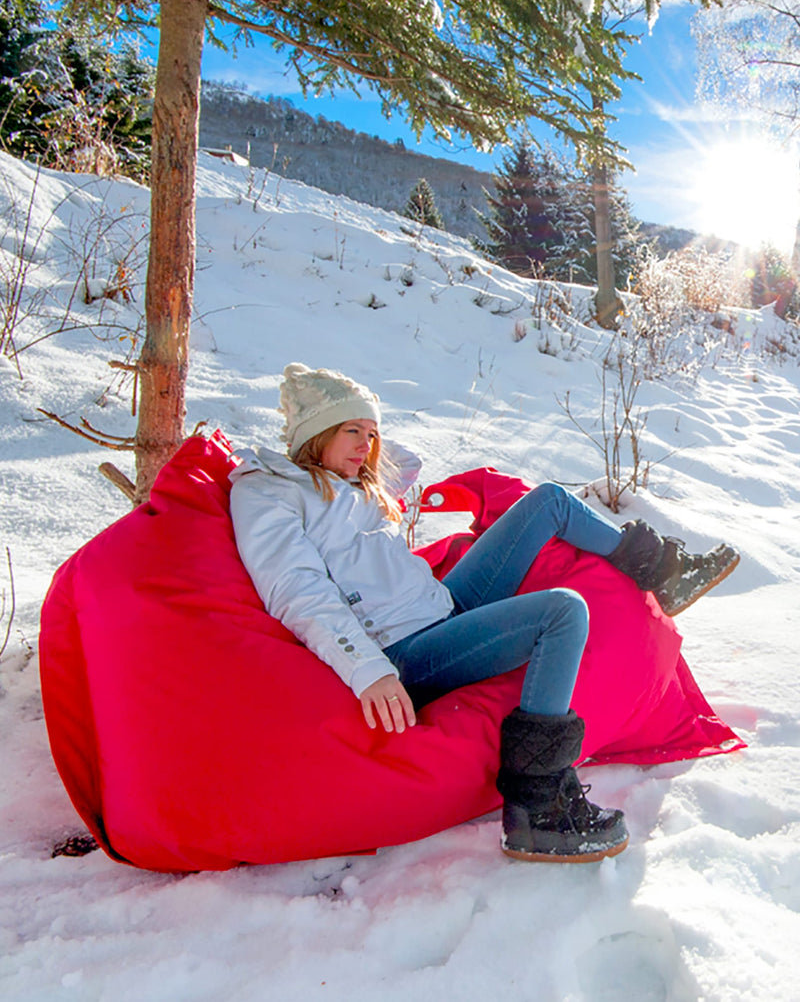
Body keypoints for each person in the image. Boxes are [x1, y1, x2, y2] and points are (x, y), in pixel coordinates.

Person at [229, 363, 739, 864]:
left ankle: (665, 572)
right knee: (562, 612)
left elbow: (402, 463)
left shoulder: (354, 482)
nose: (367, 445)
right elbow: (297, 590)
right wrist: (368, 671)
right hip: (402, 651)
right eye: (352, 431)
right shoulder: (270, 490)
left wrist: (350, 431)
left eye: (372, 433)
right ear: (316, 433)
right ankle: (536, 806)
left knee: (549, 502)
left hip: (441, 606)